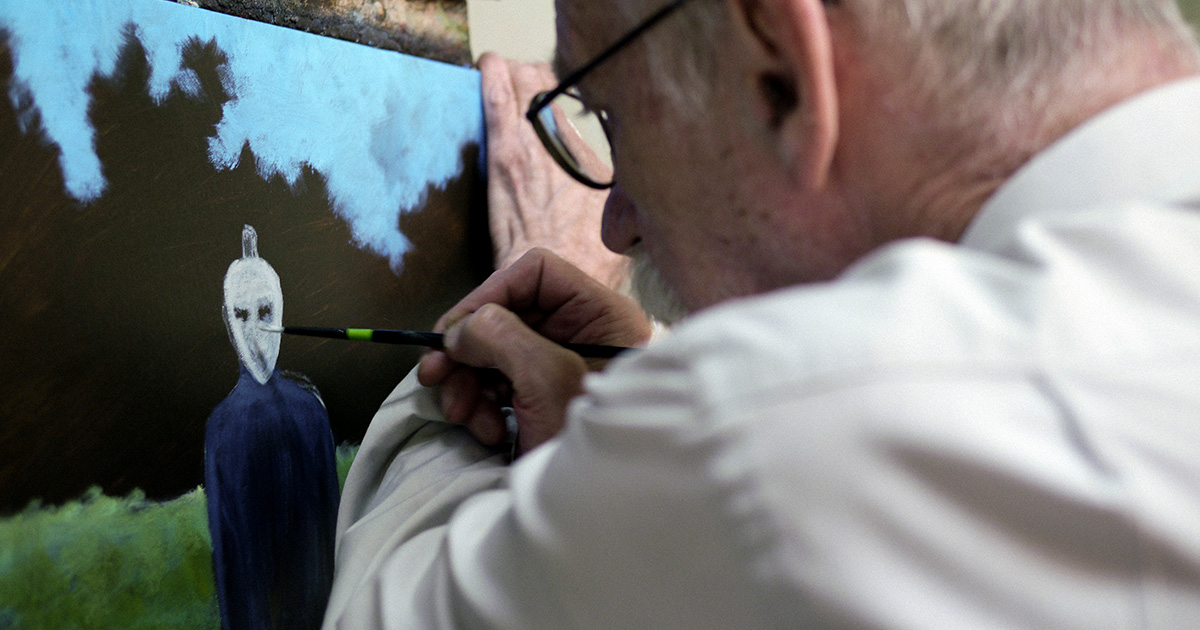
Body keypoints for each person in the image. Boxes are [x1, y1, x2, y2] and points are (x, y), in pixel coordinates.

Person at [323, 1, 1200, 627]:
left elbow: (384, 609)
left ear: (778, 68)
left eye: (610, 118)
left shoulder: (778, 428)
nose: (613, 227)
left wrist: (477, 396)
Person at [207, 225, 340, 630]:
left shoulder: (311, 411)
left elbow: (334, 529)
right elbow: (227, 558)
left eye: (265, 312)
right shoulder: (222, 428)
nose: (254, 331)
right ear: (227, 320)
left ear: (281, 312)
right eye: (241, 315)